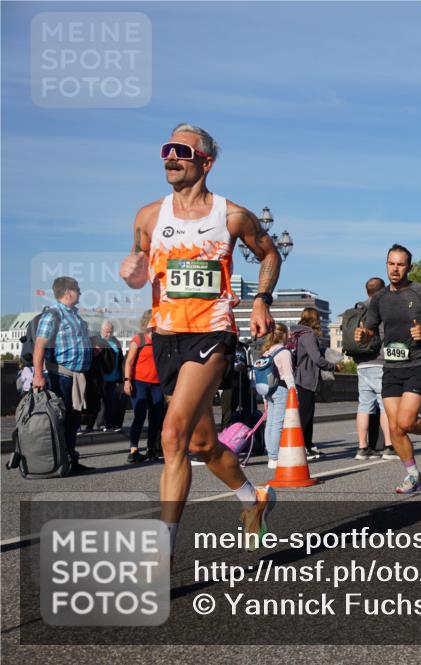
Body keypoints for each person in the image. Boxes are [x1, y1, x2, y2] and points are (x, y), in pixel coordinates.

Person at [119, 123, 279, 552]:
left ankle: (162, 550)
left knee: (172, 435)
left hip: (211, 332)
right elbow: (138, 265)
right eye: (166, 150)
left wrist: (262, 298)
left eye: (181, 151)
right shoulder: (149, 216)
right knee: (203, 443)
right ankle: (254, 499)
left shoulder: (231, 216)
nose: (170, 157)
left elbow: (269, 253)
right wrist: (133, 272)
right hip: (166, 336)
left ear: (206, 162)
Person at [355, 244, 421, 493]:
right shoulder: (380, 298)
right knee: (395, 427)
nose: (395, 269)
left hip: (417, 363)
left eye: (400, 264)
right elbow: (371, 331)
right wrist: (363, 335)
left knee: (406, 422)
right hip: (391, 367)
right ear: (386, 265)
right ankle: (413, 475)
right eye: (391, 263)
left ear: (409, 267)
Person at [30, 276, 93, 474]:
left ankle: (70, 460)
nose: (80, 293)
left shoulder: (75, 315)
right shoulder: (54, 315)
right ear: (68, 292)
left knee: (73, 421)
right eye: (78, 290)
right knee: (61, 420)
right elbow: (39, 346)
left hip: (76, 377)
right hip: (61, 376)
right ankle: (59, 463)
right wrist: (38, 375)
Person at [350, 279, 393, 460]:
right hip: (379, 362)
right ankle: (389, 447)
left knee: (364, 406)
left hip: (362, 363)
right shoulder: (381, 308)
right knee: (385, 406)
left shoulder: (358, 308)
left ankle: (362, 447)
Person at [290, 306, 340, 460]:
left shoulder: (297, 334)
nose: (320, 321)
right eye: (318, 318)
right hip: (306, 379)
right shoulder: (309, 335)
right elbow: (317, 359)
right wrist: (333, 366)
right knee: (306, 415)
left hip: (299, 377)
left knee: (305, 414)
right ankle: (304, 447)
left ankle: (308, 445)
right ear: (314, 319)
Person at [124, 309, 164, 463]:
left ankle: (151, 448)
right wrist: (127, 380)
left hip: (157, 384)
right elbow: (129, 362)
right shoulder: (139, 339)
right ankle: (133, 449)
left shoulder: (161, 341)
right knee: (140, 415)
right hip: (139, 382)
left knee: (155, 417)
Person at [259, 324, 296, 469]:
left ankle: (271, 455)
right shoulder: (284, 352)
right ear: (284, 335)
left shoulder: (267, 352)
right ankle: (274, 457)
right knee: (278, 424)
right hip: (281, 388)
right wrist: (294, 392)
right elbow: (287, 374)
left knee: (270, 423)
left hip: (268, 390)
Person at [98, 321, 125, 432]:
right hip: (104, 377)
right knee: (106, 402)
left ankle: (113, 423)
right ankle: (104, 424)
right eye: (106, 332)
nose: (108, 334)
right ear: (101, 331)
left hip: (115, 377)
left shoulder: (115, 341)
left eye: (110, 332)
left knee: (114, 401)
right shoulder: (99, 342)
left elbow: (121, 358)